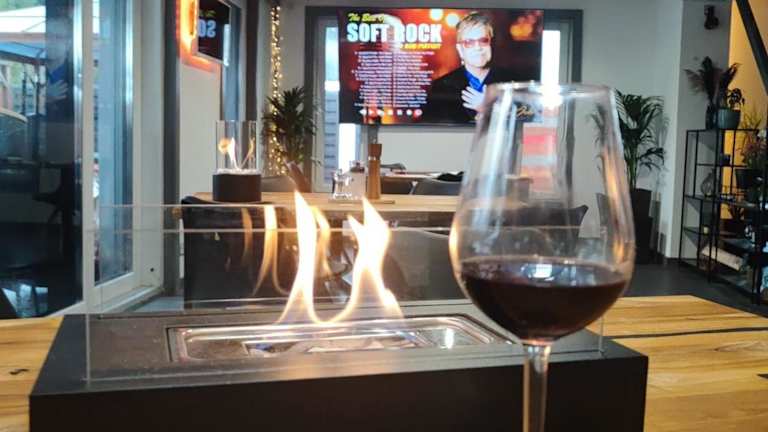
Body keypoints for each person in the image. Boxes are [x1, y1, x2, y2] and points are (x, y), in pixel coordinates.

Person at [423, 12, 517, 123]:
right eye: (469, 42)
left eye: (483, 41)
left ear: (491, 44)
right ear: (460, 49)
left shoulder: (513, 82)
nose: (478, 47)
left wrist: (489, 110)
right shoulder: (441, 86)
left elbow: (526, 121)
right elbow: (431, 128)